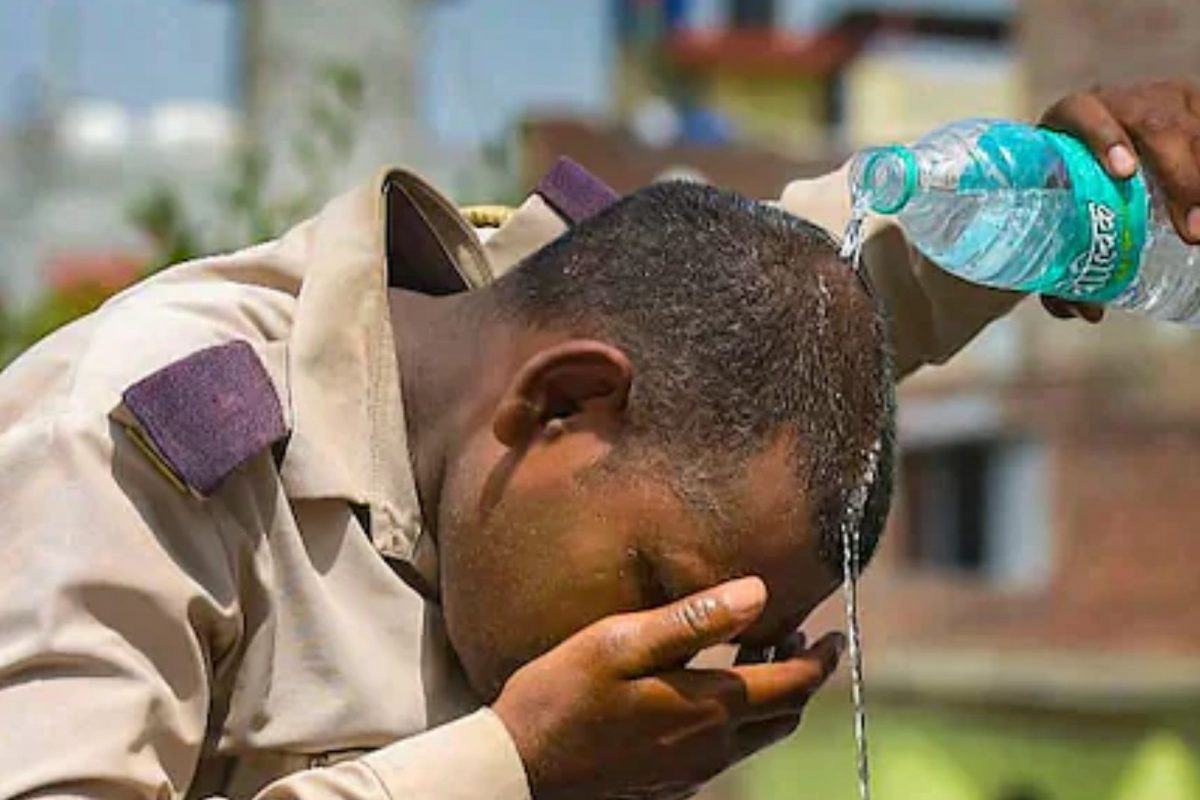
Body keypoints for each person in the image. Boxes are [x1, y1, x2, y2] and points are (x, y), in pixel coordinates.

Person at [0, 79, 1197, 800]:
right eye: (659, 591)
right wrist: (515, 762)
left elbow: (823, 275)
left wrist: (1077, 191)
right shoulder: (127, 454)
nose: (658, 663)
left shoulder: (587, 337)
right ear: (559, 404)